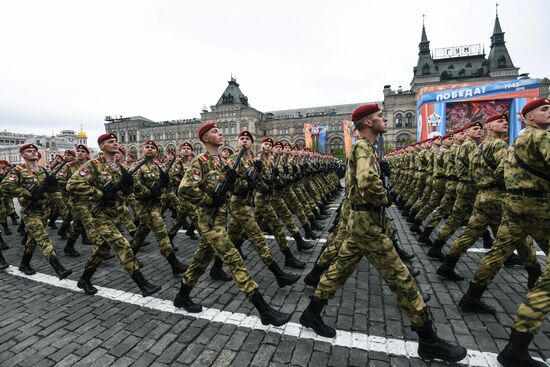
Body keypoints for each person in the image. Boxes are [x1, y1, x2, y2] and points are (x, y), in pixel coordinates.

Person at [298, 103, 466, 363]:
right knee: (401, 278)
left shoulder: (367, 148)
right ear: (366, 122)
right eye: (379, 116)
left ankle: (312, 312)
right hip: (367, 223)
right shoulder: (363, 147)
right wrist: (386, 197)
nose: (384, 118)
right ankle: (428, 340)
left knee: (339, 269)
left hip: (362, 221)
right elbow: (366, 182)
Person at [174, 122, 291, 326]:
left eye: (220, 131)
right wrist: (210, 200)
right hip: (209, 222)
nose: (220, 133)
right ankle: (264, 310)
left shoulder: (223, 162)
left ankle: (182, 296)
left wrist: (247, 181)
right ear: (205, 138)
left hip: (221, 218)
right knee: (234, 259)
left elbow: (236, 186)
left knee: (200, 261)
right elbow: (184, 190)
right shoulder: (200, 161)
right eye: (214, 132)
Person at [67, 133, 161, 297]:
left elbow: (129, 190)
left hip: (116, 214)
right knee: (122, 245)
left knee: (102, 251)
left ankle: (84, 279)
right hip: (100, 215)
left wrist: (135, 188)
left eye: (116, 141)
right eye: (110, 142)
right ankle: (143, 284)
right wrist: (99, 194)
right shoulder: (94, 165)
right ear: (102, 146)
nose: (115, 144)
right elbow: (72, 184)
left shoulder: (119, 167)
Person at [494, 98, 550, 366]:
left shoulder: (516, 143)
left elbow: (498, 172)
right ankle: (517, 345)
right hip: (538, 205)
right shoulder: (539, 136)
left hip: (515, 203)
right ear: (528, 117)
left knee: (503, 248)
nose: (549, 112)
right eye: (544, 109)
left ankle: (471, 293)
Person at [0, 144, 72, 280]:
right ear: (23, 155)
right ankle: (58, 267)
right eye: (29, 151)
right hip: (30, 211)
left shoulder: (44, 171)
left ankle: (24, 264)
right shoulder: (18, 170)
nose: (33, 152)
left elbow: (55, 188)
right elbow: (5, 187)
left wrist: (53, 184)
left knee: (33, 240)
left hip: (44, 210)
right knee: (43, 237)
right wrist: (26, 193)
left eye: (34, 151)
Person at [131, 140, 188, 275]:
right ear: (143, 150)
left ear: (156, 152)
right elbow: (134, 184)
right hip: (144, 205)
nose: (150, 149)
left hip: (156, 204)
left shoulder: (158, 166)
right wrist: (149, 192)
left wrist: (165, 181)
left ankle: (129, 255)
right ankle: (174, 263)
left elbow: (167, 184)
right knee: (161, 231)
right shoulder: (137, 165)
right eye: (147, 147)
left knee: (141, 234)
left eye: (152, 147)